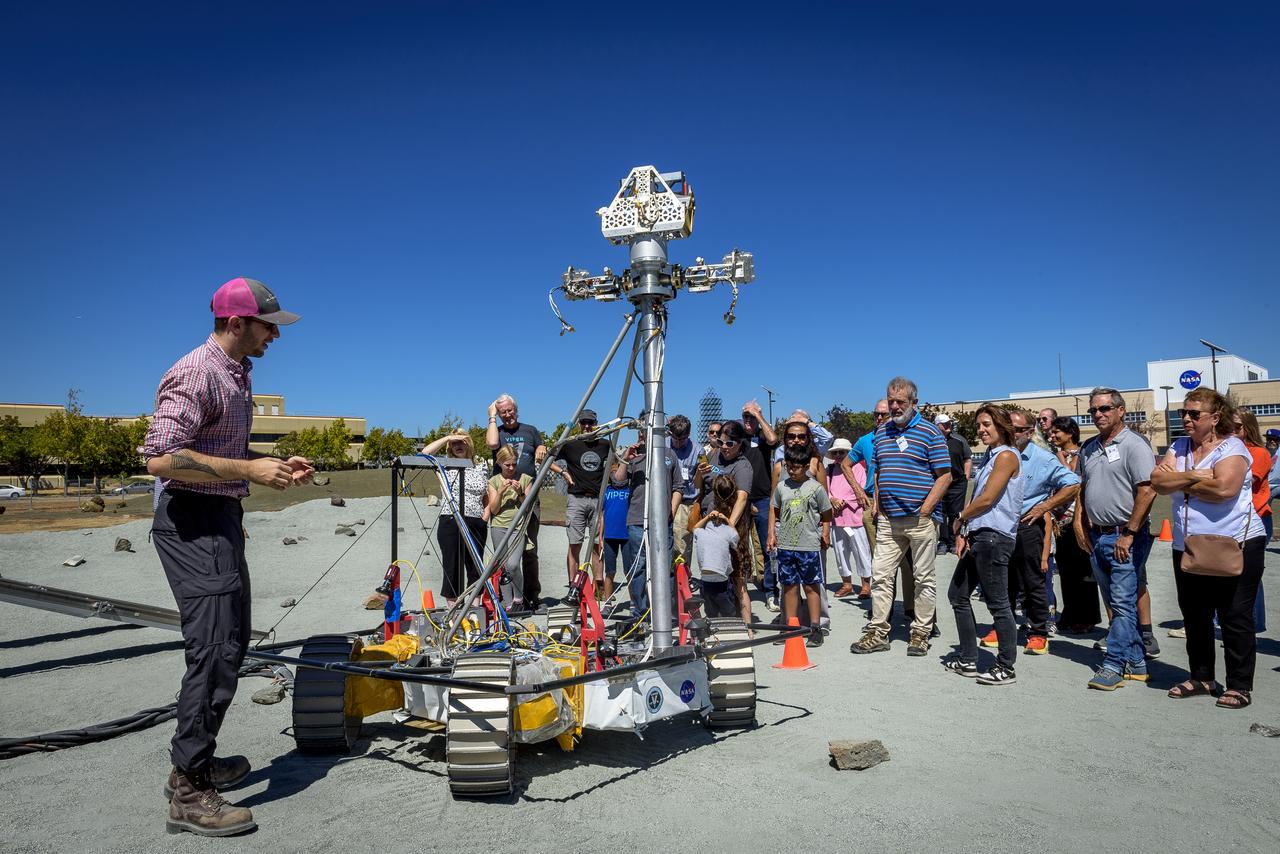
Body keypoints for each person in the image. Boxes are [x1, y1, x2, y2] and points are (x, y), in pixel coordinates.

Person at [143, 276, 312, 836]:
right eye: (268, 325)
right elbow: (162, 460)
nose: (275, 336)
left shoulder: (237, 373)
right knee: (214, 651)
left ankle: (196, 760)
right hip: (191, 521)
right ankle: (189, 791)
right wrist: (249, 470)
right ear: (236, 322)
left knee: (231, 644)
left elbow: (224, 450)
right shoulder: (196, 372)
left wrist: (273, 461)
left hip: (219, 518)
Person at [1152, 390, 1266, 709]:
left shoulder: (1233, 448)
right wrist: (1193, 474)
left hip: (1237, 542)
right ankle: (1202, 677)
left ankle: (1239, 685)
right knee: (1195, 615)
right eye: (1182, 413)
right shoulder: (1178, 446)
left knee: (1234, 615)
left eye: (1194, 414)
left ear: (1215, 418)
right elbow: (1157, 483)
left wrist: (1178, 479)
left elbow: (1224, 489)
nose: (1185, 419)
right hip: (1187, 545)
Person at [851, 377, 952, 657]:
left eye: (900, 402)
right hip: (888, 520)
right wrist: (878, 504)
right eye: (891, 401)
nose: (894, 407)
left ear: (913, 403)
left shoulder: (931, 433)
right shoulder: (881, 434)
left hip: (919, 520)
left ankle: (920, 632)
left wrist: (926, 509)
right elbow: (879, 473)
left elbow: (945, 476)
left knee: (923, 578)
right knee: (881, 576)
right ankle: (878, 631)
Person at [1072, 388, 1157, 691]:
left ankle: (1114, 665)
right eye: (1093, 410)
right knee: (1114, 601)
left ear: (1121, 411)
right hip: (1098, 536)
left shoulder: (1135, 445)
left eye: (1105, 408)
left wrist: (1130, 533)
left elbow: (1147, 491)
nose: (1098, 414)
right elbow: (1082, 489)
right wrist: (1080, 525)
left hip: (1126, 536)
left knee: (1122, 604)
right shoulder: (1090, 447)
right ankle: (1136, 662)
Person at [981, 410, 1078, 656]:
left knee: (1033, 580)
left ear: (1030, 431)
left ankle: (1038, 632)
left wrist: (1045, 506)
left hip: (1027, 523)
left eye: (1018, 430)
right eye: (1009, 429)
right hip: (1001, 525)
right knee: (1004, 581)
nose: (1012, 434)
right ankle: (1003, 626)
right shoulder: (995, 453)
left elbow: (1073, 483)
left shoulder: (1043, 458)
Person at [944, 405, 1023, 685]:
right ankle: (968, 658)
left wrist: (960, 517)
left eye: (987, 424)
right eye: (979, 425)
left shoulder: (1006, 456)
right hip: (979, 534)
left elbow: (988, 498)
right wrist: (965, 529)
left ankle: (1006, 666)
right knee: (958, 594)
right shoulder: (991, 456)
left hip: (994, 537)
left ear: (1002, 425)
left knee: (998, 603)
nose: (981, 430)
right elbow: (977, 495)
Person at [768, 446, 833, 647]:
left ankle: (815, 628)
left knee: (811, 586)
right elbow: (775, 509)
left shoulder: (815, 488)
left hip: (809, 545)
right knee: (789, 587)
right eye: (788, 467)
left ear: (806, 467)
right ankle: (790, 626)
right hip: (786, 545)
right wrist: (771, 533)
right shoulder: (782, 487)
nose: (792, 471)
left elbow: (826, 512)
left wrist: (825, 532)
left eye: (796, 468)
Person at [614, 428, 683, 616]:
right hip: (637, 520)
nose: (645, 435)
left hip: (663, 522)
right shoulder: (634, 455)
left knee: (665, 567)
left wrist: (672, 510)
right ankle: (641, 612)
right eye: (643, 431)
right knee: (638, 568)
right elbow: (618, 482)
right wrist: (625, 459)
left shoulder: (669, 455)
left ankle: (665, 613)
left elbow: (678, 486)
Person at [486, 395, 547, 605]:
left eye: (510, 410)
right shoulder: (498, 431)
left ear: (516, 410)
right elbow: (492, 443)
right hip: (504, 498)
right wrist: (492, 417)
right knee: (505, 558)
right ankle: (509, 598)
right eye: (503, 412)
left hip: (527, 493)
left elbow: (542, 449)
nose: (507, 414)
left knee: (529, 550)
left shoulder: (530, 430)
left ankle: (531, 596)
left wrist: (541, 447)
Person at [695, 420, 756, 623]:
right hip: (710, 525)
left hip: (731, 528)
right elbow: (699, 486)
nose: (724, 447)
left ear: (740, 444)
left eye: (730, 444)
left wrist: (729, 524)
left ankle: (746, 626)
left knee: (738, 580)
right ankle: (719, 623)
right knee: (713, 578)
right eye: (721, 442)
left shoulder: (742, 465)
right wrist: (699, 473)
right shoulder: (713, 456)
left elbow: (742, 497)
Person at [423, 431, 490, 605]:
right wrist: (446, 438)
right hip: (451, 519)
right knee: (452, 567)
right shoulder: (444, 465)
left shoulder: (480, 465)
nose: (458, 446)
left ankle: (474, 609)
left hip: (475, 520)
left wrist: (486, 514)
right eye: (454, 443)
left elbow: (486, 494)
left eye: (462, 442)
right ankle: (453, 612)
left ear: (469, 444)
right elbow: (425, 454)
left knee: (475, 567)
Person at [1047, 416, 1101, 632]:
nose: (1052, 436)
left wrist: (1062, 461)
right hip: (1059, 522)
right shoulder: (1053, 456)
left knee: (1084, 572)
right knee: (1067, 572)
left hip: (1080, 519)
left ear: (1070, 433)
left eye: (1056, 432)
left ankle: (1087, 618)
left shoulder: (1084, 454)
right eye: (1051, 432)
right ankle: (1070, 614)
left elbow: (1076, 483)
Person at [550, 409, 611, 587]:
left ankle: (598, 585)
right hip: (576, 498)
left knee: (597, 545)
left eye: (590, 423)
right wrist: (563, 473)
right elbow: (547, 458)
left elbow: (615, 463)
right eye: (583, 422)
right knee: (575, 543)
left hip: (597, 499)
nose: (587, 426)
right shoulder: (570, 445)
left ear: (596, 424)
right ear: (578, 424)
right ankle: (574, 585)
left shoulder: (605, 444)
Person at [740, 399, 781, 610]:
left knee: (769, 548)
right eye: (745, 416)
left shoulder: (763, 438)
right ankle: (739, 592)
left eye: (751, 417)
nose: (748, 420)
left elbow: (773, 439)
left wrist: (758, 415)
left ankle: (771, 592)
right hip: (742, 499)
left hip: (764, 499)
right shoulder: (737, 437)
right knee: (738, 547)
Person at [1232, 410, 1269, 634]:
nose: (1232, 432)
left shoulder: (1259, 452)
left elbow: (1240, 480)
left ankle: (1251, 627)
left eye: (1237, 427)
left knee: (1249, 577)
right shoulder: (1229, 451)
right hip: (1235, 519)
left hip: (1256, 518)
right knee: (1228, 573)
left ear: (1248, 428)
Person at [485, 445, 533, 609]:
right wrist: (500, 492)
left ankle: (518, 598)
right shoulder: (494, 481)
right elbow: (494, 510)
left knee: (513, 565)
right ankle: (507, 602)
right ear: (499, 463)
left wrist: (520, 493)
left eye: (514, 464)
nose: (511, 468)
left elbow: (528, 508)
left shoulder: (525, 478)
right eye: (507, 465)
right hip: (498, 526)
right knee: (503, 566)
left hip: (517, 527)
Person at [826, 438, 872, 599]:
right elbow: (825, 489)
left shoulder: (857, 468)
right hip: (837, 519)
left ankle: (866, 585)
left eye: (842, 452)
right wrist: (832, 499)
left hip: (855, 517)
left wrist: (844, 501)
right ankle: (847, 584)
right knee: (840, 552)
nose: (838, 455)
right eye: (836, 452)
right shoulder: (830, 470)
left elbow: (861, 489)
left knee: (861, 551)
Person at [693, 475, 744, 619]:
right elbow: (736, 536)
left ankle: (714, 628)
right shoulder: (727, 532)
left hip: (705, 579)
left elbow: (694, 528)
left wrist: (707, 517)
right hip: (722, 578)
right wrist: (728, 520)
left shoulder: (702, 533)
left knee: (710, 611)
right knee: (728, 610)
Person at [935, 413, 972, 556]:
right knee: (941, 512)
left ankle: (952, 541)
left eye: (949, 423)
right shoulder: (933, 441)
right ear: (937, 426)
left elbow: (967, 459)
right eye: (945, 424)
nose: (948, 425)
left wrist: (966, 477)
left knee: (955, 513)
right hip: (939, 482)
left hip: (957, 483)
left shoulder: (959, 440)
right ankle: (943, 542)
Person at [666, 414, 701, 564]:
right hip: (667, 498)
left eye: (683, 439)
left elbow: (700, 482)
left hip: (687, 500)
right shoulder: (663, 445)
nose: (679, 443)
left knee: (683, 542)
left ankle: (683, 576)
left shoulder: (698, 450)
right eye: (676, 439)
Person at [598, 466, 631, 604]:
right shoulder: (607, 491)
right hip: (609, 536)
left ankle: (634, 602)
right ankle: (608, 601)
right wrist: (600, 536)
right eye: (613, 471)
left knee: (629, 571)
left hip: (627, 536)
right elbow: (603, 515)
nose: (616, 474)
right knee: (610, 571)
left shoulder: (630, 491)